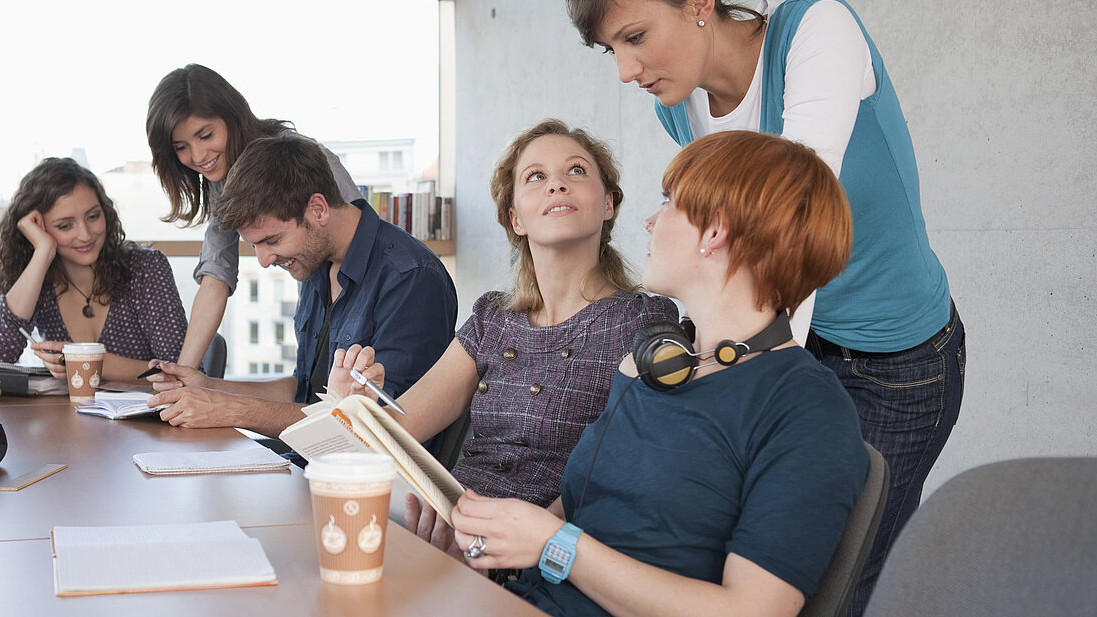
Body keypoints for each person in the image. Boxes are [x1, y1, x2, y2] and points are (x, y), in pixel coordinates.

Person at [566, 0, 965, 612]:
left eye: (635, 37)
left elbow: (785, 231)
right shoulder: (681, 102)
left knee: (836, 589)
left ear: (699, 1)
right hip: (779, 351)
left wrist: (757, 386)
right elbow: (720, 266)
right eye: (612, 51)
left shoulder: (817, 33)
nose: (628, 70)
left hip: (895, 359)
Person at [447, 130, 868, 616]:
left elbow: (752, 610)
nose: (649, 221)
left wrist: (556, 545)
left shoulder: (806, 408)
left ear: (715, 232)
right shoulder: (652, 364)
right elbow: (572, 511)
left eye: (669, 204)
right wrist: (488, 537)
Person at [328, 119, 676, 560]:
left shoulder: (644, 321)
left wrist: (500, 554)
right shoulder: (493, 317)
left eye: (576, 171)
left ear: (608, 204)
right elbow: (397, 431)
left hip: (538, 557)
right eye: (536, 177)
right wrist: (350, 407)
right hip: (446, 530)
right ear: (515, 218)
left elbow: (621, 478)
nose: (556, 186)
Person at [148, 131, 457, 441]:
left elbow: (379, 426)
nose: (265, 260)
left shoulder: (411, 278)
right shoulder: (314, 265)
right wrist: (207, 386)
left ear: (318, 209)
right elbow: (304, 391)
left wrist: (229, 409)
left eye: (272, 240)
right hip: (310, 463)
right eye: (254, 245)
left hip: (369, 480)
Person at [146, 63, 362, 370]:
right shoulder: (221, 183)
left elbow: (361, 240)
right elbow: (215, 274)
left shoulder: (300, 157)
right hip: (315, 310)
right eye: (181, 147)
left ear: (232, 118)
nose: (197, 156)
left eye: (206, 135)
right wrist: (184, 371)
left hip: (356, 307)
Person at [0, 157, 186, 381]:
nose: (85, 235)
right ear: (39, 228)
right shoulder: (40, 280)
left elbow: (182, 374)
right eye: (65, 226)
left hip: (147, 415)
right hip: (66, 416)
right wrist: (43, 252)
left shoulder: (146, 268)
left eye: (93, 216)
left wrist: (88, 363)